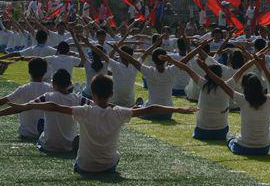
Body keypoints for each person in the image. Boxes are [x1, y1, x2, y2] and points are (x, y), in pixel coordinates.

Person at [10, 74, 195, 174]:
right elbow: (151, 108)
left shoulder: (85, 110)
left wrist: (22, 105)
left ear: (92, 93)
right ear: (111, 94)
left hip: (84, 167)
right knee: (116, 154)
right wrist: (178, 110)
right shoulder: (119, 113)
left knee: (76, 143)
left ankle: (80, 154)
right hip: (109, 166)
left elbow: (52, 105)